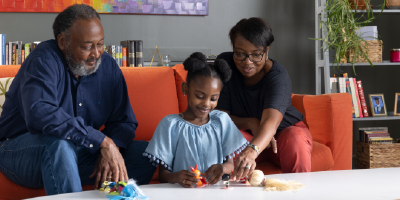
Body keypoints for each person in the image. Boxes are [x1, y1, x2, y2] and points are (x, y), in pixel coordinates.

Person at [0, 4, 155, 195]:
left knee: (147, 153)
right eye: (87, 46)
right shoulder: (43, 59)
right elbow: (39, 112)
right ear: (63, 41)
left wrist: (108, 149)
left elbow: (124, 121)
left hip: (76, 153)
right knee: (59, 145)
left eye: (100, 44)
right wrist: (100, 141)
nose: (96, 53)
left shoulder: (107, 66)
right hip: (19, 151)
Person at [216, 17, 313, 181]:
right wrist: (249, 122)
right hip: (246, 135)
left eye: (256, 55)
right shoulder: (225, 65)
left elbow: (271, 121)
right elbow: (220, 117)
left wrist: (252, 149)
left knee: (295, 139)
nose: (247, 62)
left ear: (266, 51)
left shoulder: (278, 77)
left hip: (284, 134)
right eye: (240, 53)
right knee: (223, 139)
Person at [143, 52, 248, 188]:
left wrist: (222, 169)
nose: (206, 104)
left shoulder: (222, 121)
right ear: (185, 88)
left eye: (213, 99)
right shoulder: (169, 125)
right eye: (199, 96)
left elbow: (230, 164)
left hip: (214, 193)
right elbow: (163, 175)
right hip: (182, 193)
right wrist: (178, 176)